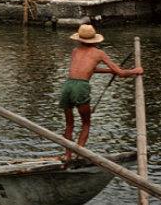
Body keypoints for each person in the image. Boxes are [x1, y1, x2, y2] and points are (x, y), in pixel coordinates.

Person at [60, 24, 143, 162]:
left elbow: (88, 69)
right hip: (81, 87)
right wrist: (136, 70)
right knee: (86, 123)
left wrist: (110, 71)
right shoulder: (99, 53)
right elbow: (121, 73)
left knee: (69, 124)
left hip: (68, 85)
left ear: (79, 39)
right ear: (95, 40)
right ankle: (79, 154)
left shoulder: (75, 51)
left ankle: (68, 155)